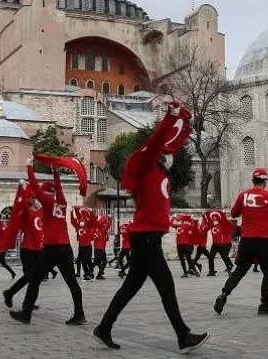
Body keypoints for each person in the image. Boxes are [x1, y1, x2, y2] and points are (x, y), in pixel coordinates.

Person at [93, 102, 209, 353]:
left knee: (130, 288)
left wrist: (183, 126)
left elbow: (169, 143)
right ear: (158, 156)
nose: (172, 157)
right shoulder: (146, 170)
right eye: (168, 155)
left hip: (147, 239)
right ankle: (183, 335)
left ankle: (104, 328)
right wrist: (170, 117)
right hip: (146, 240)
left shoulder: (161, 175)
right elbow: (157, 142)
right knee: (166, 286)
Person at [9, 164, 85, 325]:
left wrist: (29, 166)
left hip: (52, 247)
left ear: (46, 193)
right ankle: (80, 314)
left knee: (34, 279)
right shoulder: (62, 202)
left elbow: (34, 185)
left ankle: (26, 314)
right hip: (66, 246)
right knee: (72, 281)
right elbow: (59, 189)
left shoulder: (47, 201)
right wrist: (56, 172)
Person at [214, 167, 268, 316]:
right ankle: (264, 304)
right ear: (265, 181)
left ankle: (224, 294)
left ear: (253, 180)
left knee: (240, 269)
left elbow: (233, 213)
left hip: (247, 239)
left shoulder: (243, 195)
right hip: (264, 240)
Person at [2, 184, 46, 307]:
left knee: (35, 278)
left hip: (39, 250)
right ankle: (9, 293)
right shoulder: (27, 213)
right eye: (36, 199)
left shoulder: (40, 213)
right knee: (29, 276)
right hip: (27, 250)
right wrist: (23, 189)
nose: (39, 201)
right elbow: (22, 204)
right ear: (32, 200)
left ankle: (29, 301)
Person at [72, 207, 97, 280]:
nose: (82, 221)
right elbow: (73, 221)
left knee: (88, 260)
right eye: (81, 220)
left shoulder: (88, 226)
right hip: (81, 246)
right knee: (83, 261)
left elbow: (92, 220)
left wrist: (91, 212)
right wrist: (72, 211)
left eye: (83, 220)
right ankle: (87, 274)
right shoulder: (78, 227)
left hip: (87, 246)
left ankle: (91, 271)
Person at [93, 215, 111, 279]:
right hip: (101, 249)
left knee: (96, 262)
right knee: (104, 261)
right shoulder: (102, 230)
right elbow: (108, 226)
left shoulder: (97, 231)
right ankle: (99, 275)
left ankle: (88, 272)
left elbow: (95, 240)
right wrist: (110, 219)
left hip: (96, 248)